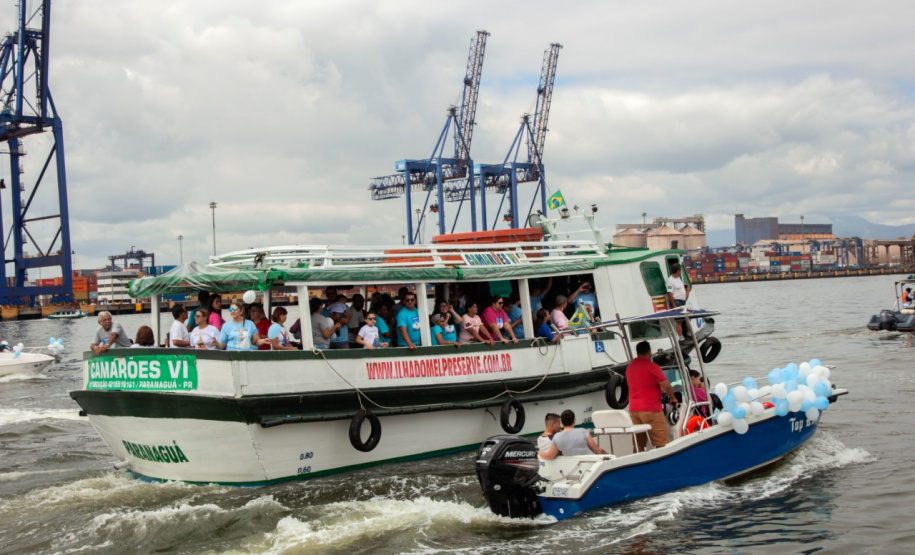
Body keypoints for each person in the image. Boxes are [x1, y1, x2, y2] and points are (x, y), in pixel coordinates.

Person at [627, 341, 679, 451]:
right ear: (649, 352)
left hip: (634, 410)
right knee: (661, 443)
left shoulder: (630, 368)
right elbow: (667, 386)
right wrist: (673, 398)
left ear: (637, 352)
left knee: (639, 444)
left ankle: (638, 463)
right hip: (651, 409)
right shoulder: (652, 367)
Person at [666, 263, 690, 341]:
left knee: (686, 318)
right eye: (680, 270)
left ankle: (688, 333)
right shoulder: (670, 281)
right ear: (678, 271)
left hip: (683, 302)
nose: (680, 272)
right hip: (677, 302)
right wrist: (674, 306)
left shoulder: (678, 278)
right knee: (679, 320)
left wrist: (687, 291)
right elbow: (669, 293)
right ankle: (680, 337)